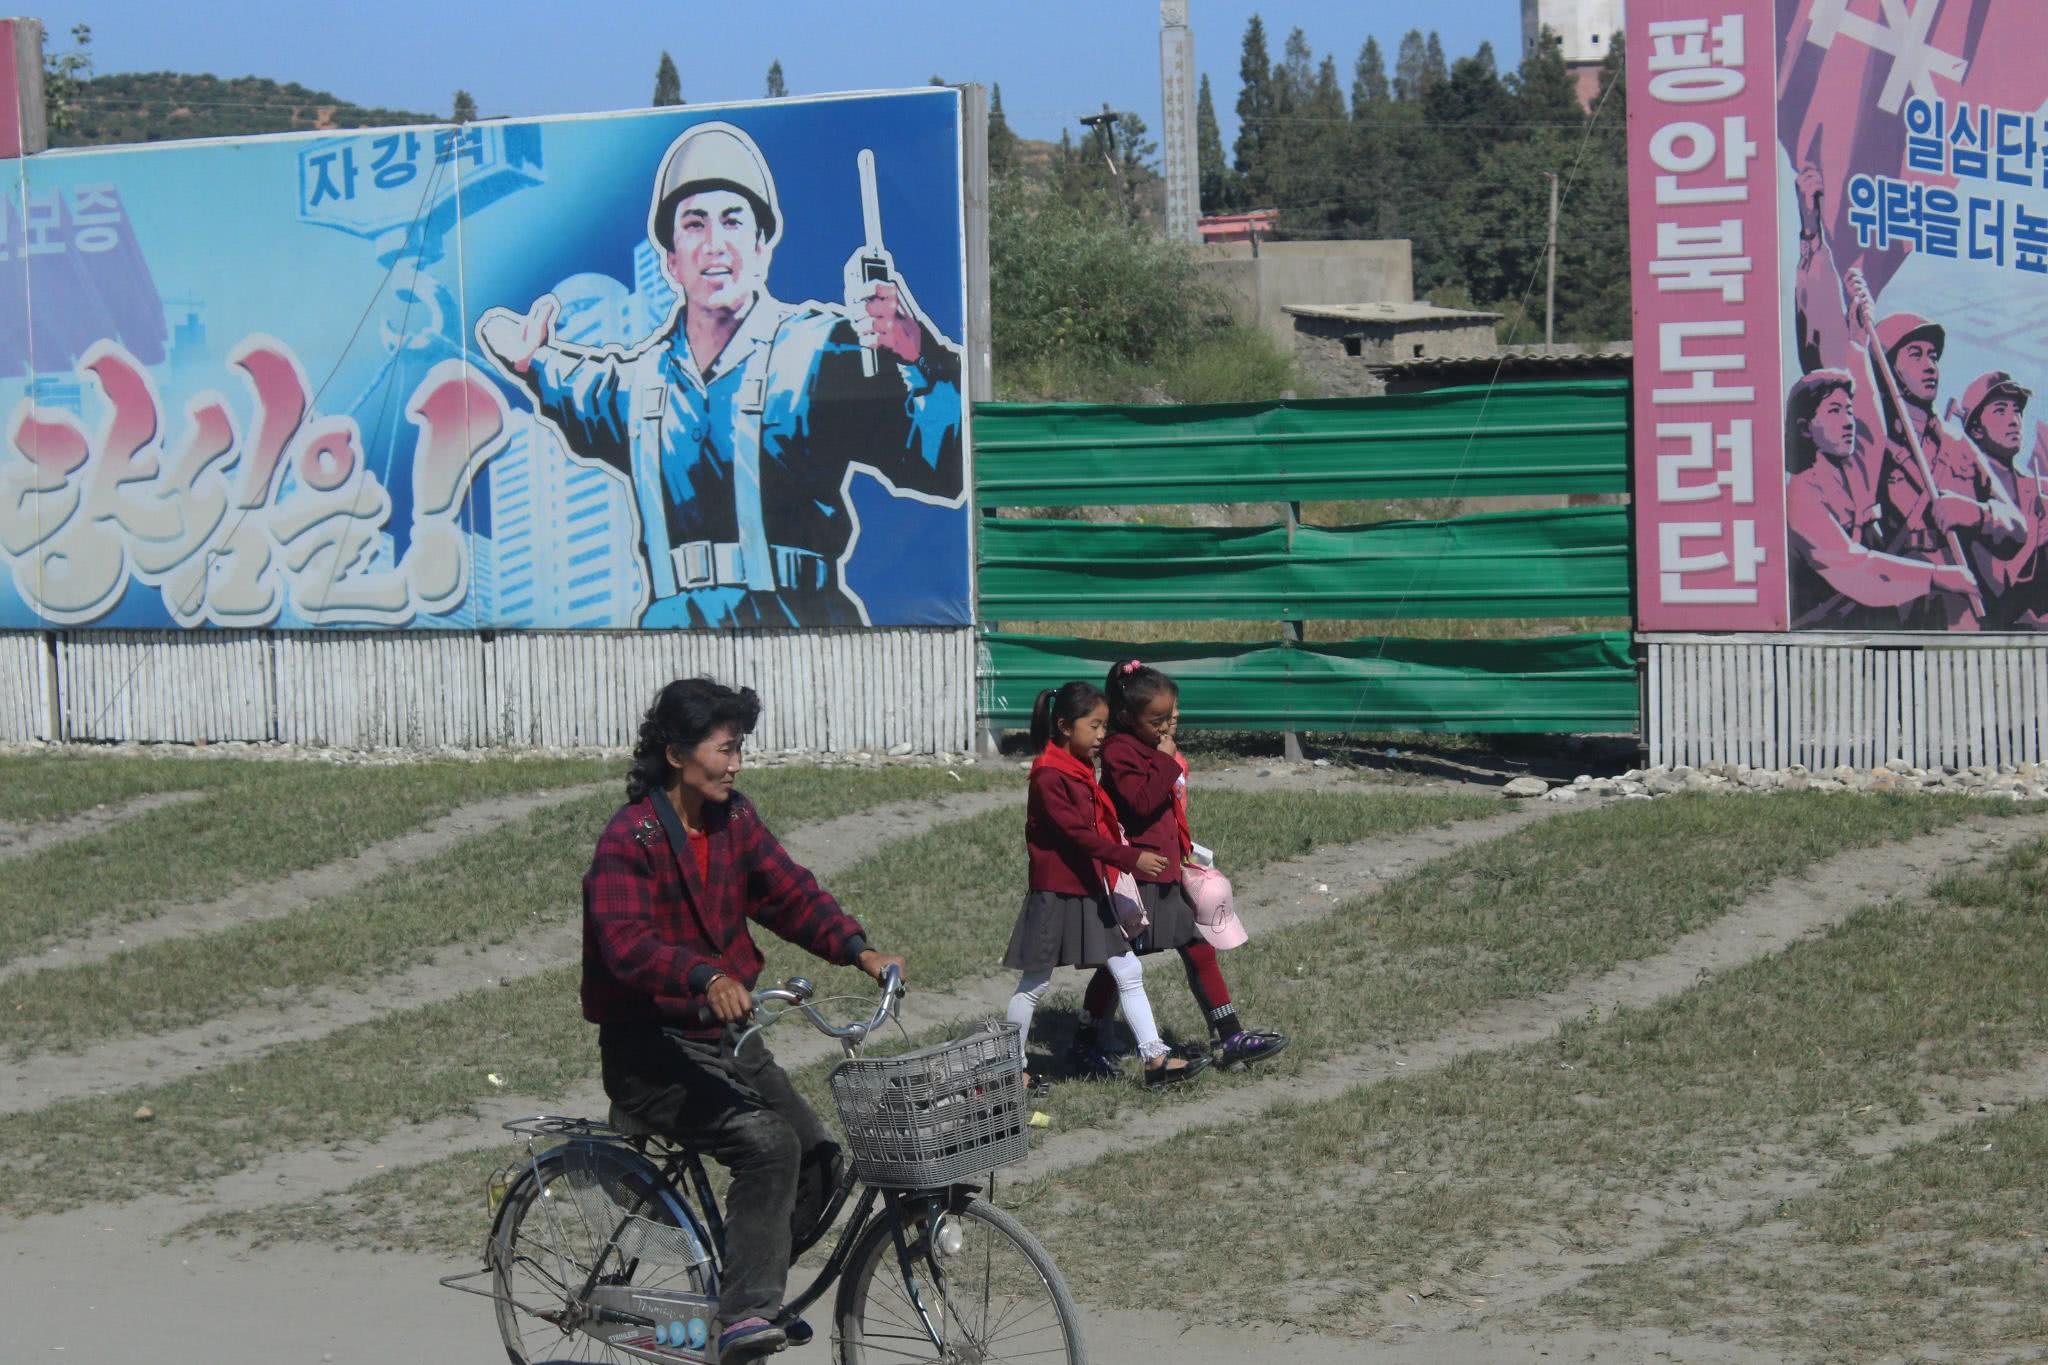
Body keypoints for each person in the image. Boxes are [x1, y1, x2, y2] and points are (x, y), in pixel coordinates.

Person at [478, 120, 963, 629]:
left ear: (761, 248)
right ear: (670, 260)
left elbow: (943, 461)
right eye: (694, 224)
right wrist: (528, 358)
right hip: (670, 638)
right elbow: (565, 378)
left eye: (733, 222)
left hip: (803, 630)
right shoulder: (638, 385)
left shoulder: (821, 350)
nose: (714, 244)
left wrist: (918, 353)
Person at [582, 678, 906, 1363]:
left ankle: (740, 1293)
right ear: (676, 752)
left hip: (726, 1041)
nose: (736, 764)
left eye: (740, 749)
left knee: (817, 1156)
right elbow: (626, 942)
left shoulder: (735, 821)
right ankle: (744, 1317)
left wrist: (858, 948)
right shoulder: (630, 837)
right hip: (649, 1052)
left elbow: (788, 892)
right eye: (725, 749)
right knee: (766, 1144)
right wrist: (703, 974)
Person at [1077, 659, 1288, 1075]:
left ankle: (1229, 1035)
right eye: (1155, 719)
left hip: (1166, 873)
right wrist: (1166, 760)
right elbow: (1139, 802)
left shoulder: (1149, 745)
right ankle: (1085, 1042)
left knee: (1196, 948)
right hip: (1140, 879)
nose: (1165, 726)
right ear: (1126, 716)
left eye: (1168, 716)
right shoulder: (1121, 751)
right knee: (1119, 961)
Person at [1002, 681, 1207, 1089]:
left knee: (1128, 969)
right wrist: (1132, 858)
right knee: (1034, 984)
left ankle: (1154, 1058)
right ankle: (1008, 1069)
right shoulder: (1049, 776)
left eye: (1105, 726)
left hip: (1087, 890)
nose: (1102, 736)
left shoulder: (1077, 769)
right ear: (1063, 726)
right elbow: (1078, 835)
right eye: (1094, 726)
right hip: (1057, 895)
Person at [1785, 369, 1979, 628]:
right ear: (1805, 428)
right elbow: (1854, 569)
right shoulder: (1801, 497)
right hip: (1822, 636)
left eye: (1849, 410)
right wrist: (1937, 576)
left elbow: (1872, 422)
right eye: (1834, 411)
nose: (1848, 422)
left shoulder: (1850, 474)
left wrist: (1858, 346)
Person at [1953, 370, 2048, 628]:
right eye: (2000, 410)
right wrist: (2034, 543)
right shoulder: (1967, 494)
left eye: (2017, 410)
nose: (2014, 420)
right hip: (1990, 633)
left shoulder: (2040, 491)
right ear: (1976, 429)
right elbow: (1996, 587)